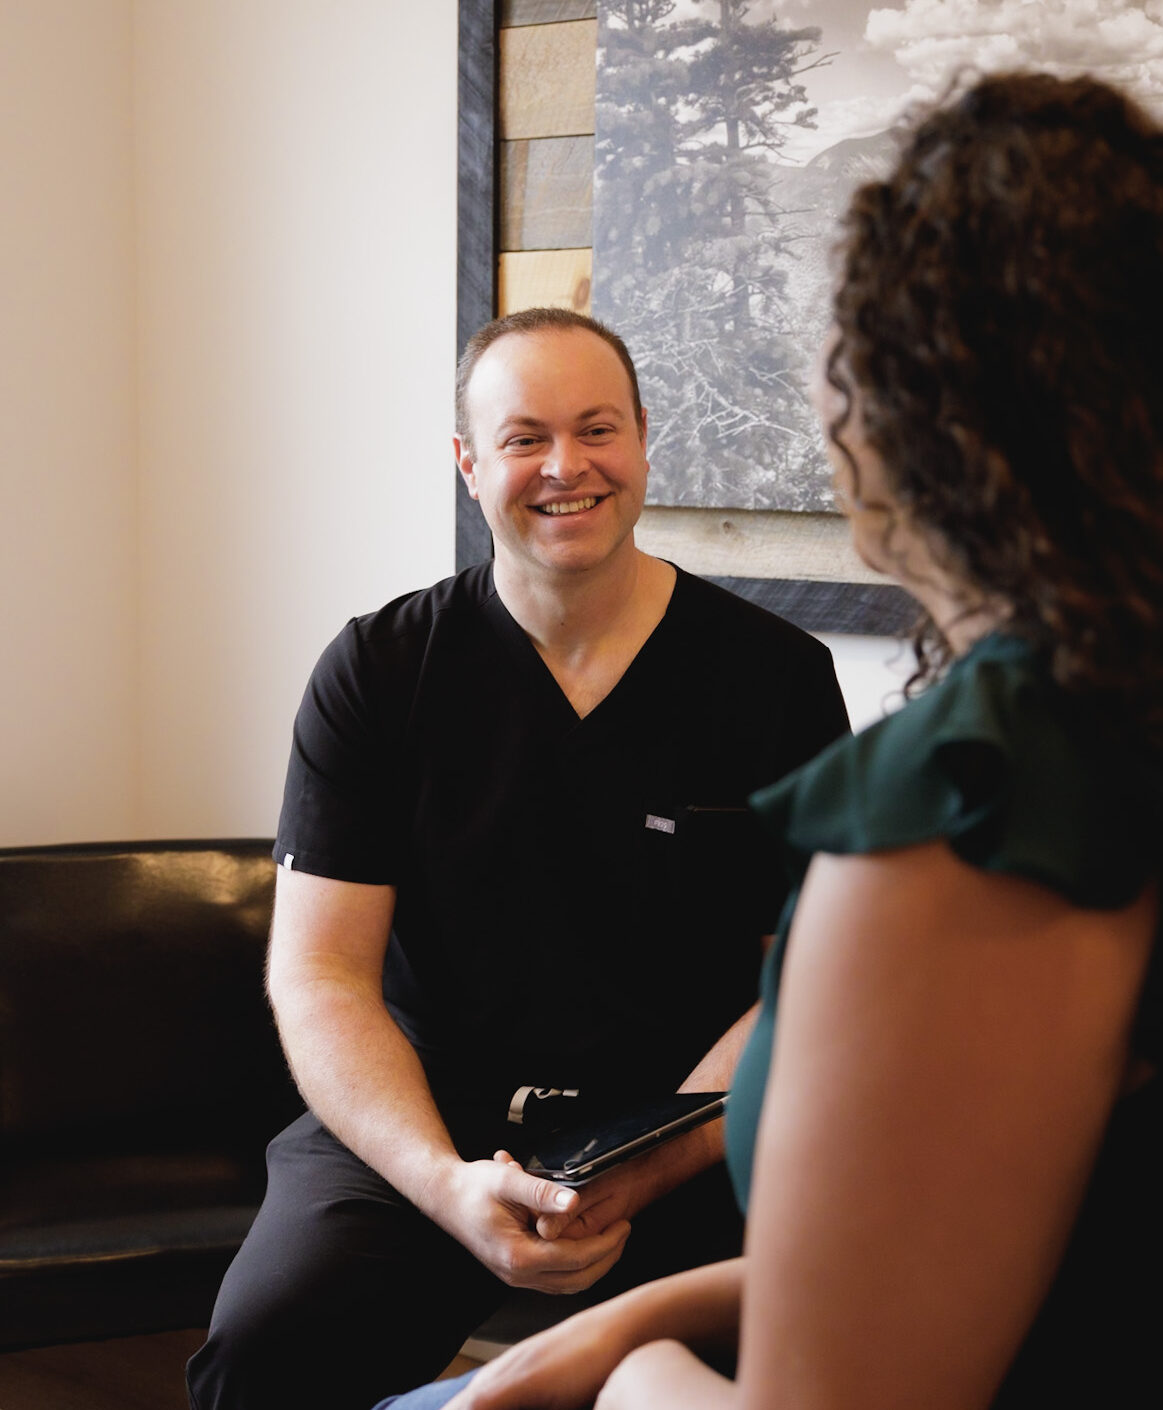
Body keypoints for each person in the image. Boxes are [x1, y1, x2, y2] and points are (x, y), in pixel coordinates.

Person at [368, 71, 1163, 1410]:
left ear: (900, 423)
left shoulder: (976, 809)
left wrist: (628, 1376)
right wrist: (622, 1322)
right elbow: (1103, 1245)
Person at [185, 308, 850, 1410]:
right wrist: (445, 1186)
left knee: (782, 1365)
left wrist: (643, 1165)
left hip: (688, 1132)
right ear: (469, 464)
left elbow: (807, 981)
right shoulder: (379, 671)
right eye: (525, 437)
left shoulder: (776, 680)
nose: (566, 467)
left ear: (643, 441)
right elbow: (322, 977)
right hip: (426, 1127)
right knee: (268, 1351)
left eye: (597, 429)